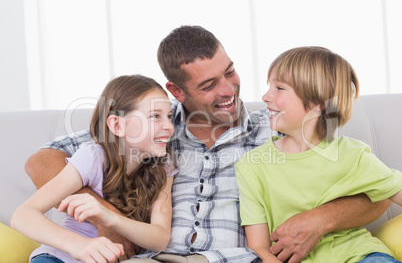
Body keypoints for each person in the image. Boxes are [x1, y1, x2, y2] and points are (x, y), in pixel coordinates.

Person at [25, 26, 391, 263]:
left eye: (229, 71)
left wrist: (320, 220)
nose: (228, 90)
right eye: (208, 85)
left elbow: (377, 189)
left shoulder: (283, 126)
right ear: (176, 91)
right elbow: (42, 160)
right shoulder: (150, 126)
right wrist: (107, 220)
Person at [235, 46, 402, 262]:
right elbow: (259, 247)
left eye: (279, 88)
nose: (266, 96)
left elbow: (396, 190)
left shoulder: (352, 154)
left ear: (318, 104)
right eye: (269, 86)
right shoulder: (251, 165)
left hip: (362, 256)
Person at [11, 74, 178, 263]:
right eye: (155, 116)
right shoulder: (93, 156)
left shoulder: (163, 167)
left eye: (169, 117)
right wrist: (78, 245)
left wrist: (110, 218)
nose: (169, 126)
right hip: (59, 258)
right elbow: (23, 215)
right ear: (117, 125)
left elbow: (159, 239)